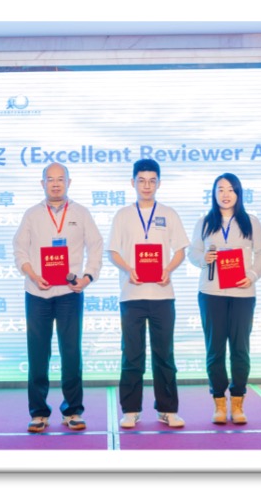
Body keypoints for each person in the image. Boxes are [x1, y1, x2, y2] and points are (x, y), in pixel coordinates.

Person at [12, 162, 103, 432]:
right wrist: (32, 275)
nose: (55, 184)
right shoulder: (32, 214)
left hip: (69, 293)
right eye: (50, 179)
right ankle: (39, 413)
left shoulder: (81, 213)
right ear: (42, 183)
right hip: (37, 293)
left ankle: (72, 410)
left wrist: (88, 277)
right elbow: (19, 249)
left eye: (60, 179)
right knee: (38, 354)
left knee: (71, 353)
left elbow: (96, 246)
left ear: (68, 182)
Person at [107, 159, 189, 429]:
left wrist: (169, 269)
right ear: (132, 182)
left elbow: (181, 250)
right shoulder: (122, 215)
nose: (146, 186)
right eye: (141, 180)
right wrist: (128, 269)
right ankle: (131, 409)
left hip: (163, 295)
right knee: (132, 354)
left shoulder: (169, 213)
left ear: (159, 183)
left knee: (164, 354)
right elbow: (113, 251)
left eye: (152, 181)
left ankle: (168, 409)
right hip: (131, 295)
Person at [187, 173, 261, 424]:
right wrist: (203, 259)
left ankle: (238, 401)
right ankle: (219, 404)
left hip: (242, 293)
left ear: (238, 193)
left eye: (231, 189)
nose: (225, 194)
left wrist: (252, 275)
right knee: (215, 350)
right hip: (211, 293)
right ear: (213, 194)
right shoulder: (204, 222)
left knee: (240, 349)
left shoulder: (250, 222)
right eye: (220, 189)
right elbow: (193, 252)